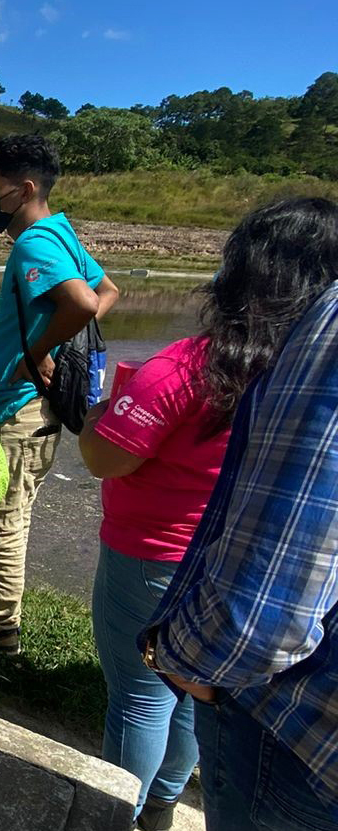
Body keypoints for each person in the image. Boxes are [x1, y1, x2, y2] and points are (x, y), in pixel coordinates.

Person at [77, 198, 338, 830]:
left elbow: (105, 458)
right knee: (199, 698)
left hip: (151, 557)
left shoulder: (189, 365)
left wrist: (94, 417)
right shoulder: (293, 368)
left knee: (139, 699)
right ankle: (163, 803)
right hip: (242, 571)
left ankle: (115, 813)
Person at [0, 134, 118, 654]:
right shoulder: (62, 232)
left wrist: (39, 350)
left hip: (20, 408)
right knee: (10, 510)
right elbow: (108, 291)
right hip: (25, 407)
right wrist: (60, 341)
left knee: (5, 520)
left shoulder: (34, 242)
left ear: (26, 189)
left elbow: (84, 302)